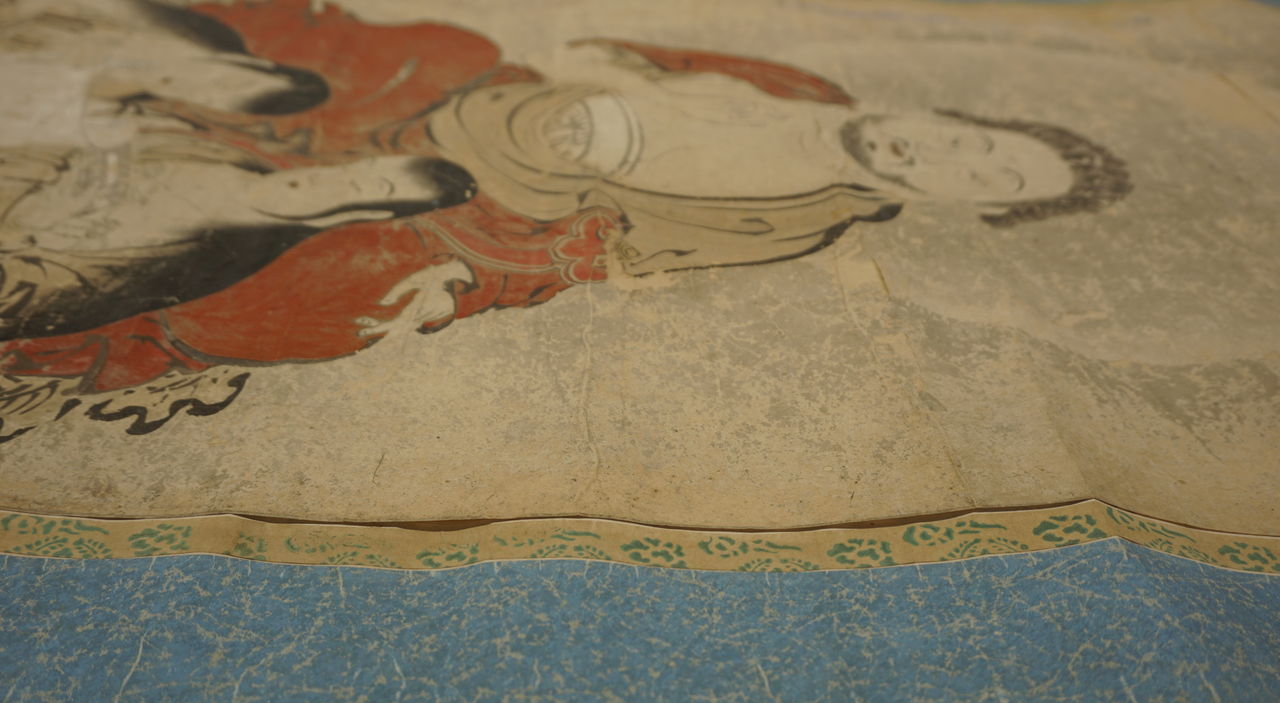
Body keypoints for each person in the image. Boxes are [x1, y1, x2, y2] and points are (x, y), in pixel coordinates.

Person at [0, 0, 1130, 439]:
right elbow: (674, 57)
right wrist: (616, 66)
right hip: (506, 99)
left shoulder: (811, 220)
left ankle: (102, 338)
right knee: (410, 47)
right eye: (978, 137)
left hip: (511, 205)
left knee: (357, 288)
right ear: (950, 112)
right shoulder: (813, 89)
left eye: (984, 178)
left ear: (966, 205)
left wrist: (487, 265)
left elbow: (628, 247)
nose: (953, 155)